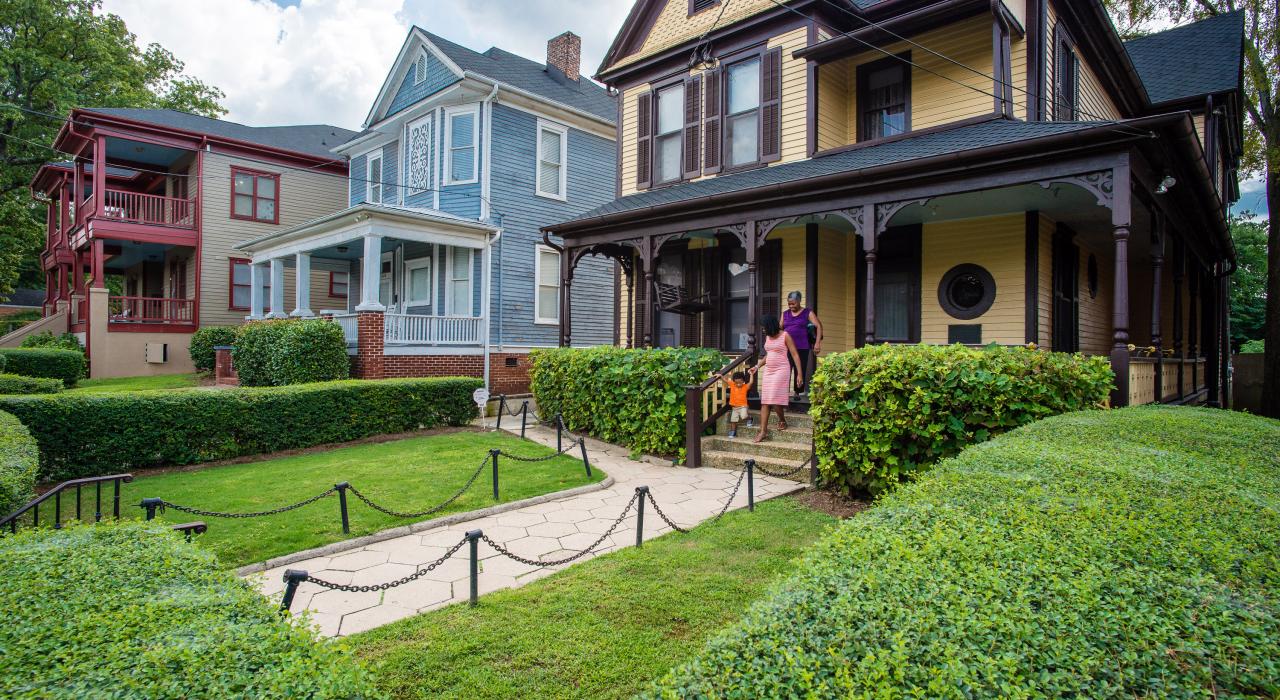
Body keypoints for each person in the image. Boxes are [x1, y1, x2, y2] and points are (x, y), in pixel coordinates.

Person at [753, 314, 802, 443]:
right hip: (768, 371)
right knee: (765, 401)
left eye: (764, 327)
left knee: (774, 399)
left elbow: (795, 355)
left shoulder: (785, 335)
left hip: (781, 370)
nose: (763, 330)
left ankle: (782, 420)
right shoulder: (768, 337)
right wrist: (757, 366)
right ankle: (763, 431)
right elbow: (769, 354)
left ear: (770, 325)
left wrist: (799, 374)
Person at [781, 291, 823, 395]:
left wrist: (817, 343)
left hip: (802, 346)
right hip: (786, 347)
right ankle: (784, 392)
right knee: (786, 369)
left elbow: (818, 326)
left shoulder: (807, 312)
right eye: (789, 304)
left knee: (800, 370)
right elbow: (780, 328)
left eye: (793, 303)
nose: (791, 306)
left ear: (799, 301)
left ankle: (798, 393)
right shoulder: (785, 314)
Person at [715, 370, 753, 438]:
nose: (738, 384)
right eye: (736, 383)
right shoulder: (732, 384)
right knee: (733, 420)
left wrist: (751, 374)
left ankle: (749, 418)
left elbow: (751, 382)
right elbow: (726, 380)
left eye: (740, 383)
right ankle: (733, 432)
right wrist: (721, 376)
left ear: (743, 381)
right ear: (734, 381)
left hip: (743, 406)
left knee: (744, 416)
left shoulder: (745, 387)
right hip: (734, 407)